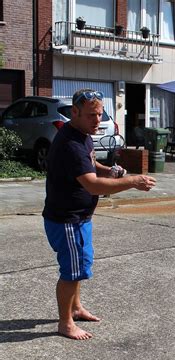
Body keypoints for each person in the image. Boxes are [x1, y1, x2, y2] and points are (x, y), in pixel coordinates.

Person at [43, 89, 156, 340]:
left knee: (79, 267)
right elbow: (92, 185)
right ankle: (65, 323)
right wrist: (132, 181)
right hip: (67, 220)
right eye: (92, 115)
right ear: (74, 112)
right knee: (71, 272)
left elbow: (90, 165)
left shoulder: (82, 135)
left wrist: (110, 171)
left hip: (78, 218)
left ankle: (76, 307)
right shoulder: (70, 143)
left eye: (100, 114)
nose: (98, 120)